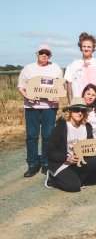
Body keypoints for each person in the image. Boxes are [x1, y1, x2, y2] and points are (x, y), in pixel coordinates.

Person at [17, 43, 64, 177]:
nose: (44, 55)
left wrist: (57, 97)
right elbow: (20, 86)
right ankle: (32, 164)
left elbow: (59, 88)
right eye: (41, 52)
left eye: (47, 53)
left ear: (50, 55)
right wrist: (27, 96)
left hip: (49, 108)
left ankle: (45, 163)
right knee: (31, 136)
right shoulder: (28, 69)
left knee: (47, 136)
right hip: (31, 107)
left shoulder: (55, 68)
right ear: (36, 54)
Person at [44, 97, 96, 191]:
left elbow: (91, 147)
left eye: (83, 110)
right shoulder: (61, 126)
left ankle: (76, 178)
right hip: (63, 162)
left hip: (78, 162)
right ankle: (52, 178)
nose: (80, 113)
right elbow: (49, 151)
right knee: (73, 187)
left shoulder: (87, 126)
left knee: (94, 162)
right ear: (70, 111)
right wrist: (66, 158)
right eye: (76, 110)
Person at [64, 32, 96, 101]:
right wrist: (71, 104)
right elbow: (69, 86)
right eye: (84, 46)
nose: (86, 49)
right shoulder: (73, 65)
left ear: (93, 48)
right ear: (81, 47)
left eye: (89, 47)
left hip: (94, 104)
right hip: (77, 103)